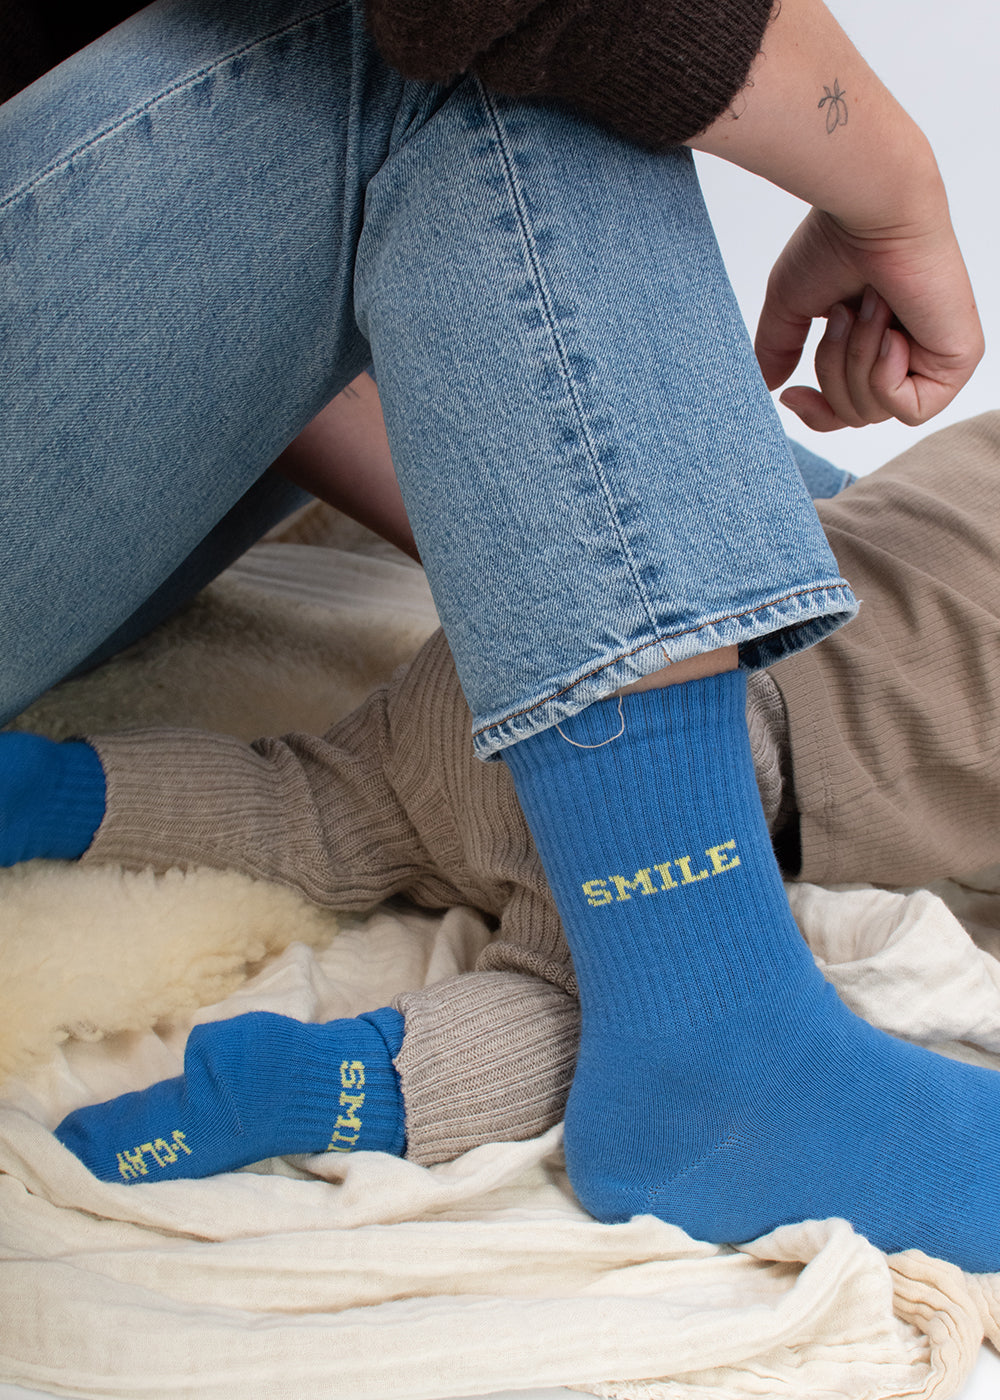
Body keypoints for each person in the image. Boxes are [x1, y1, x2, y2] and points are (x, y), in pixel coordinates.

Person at [0, 0, 993, 1273]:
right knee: (478, 52)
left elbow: (272, 292)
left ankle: (45, 792)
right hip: (720, 760)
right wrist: (894, 190)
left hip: (452, 697)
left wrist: (583, 555)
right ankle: (701, 1048)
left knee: (332, 807)